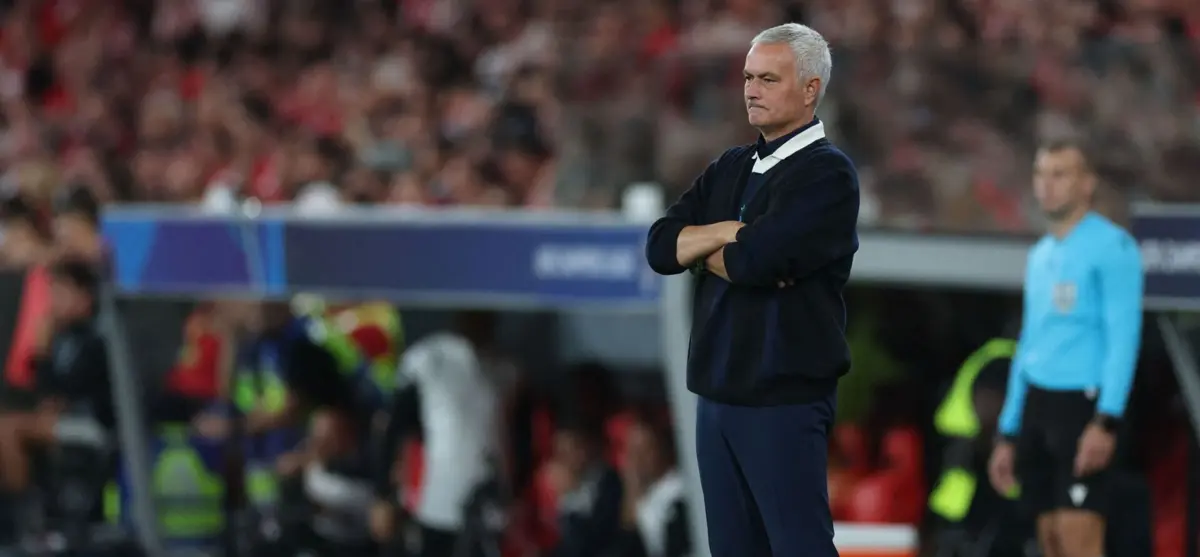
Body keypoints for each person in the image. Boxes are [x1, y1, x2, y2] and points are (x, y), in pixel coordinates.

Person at [643, 23, 857, 557]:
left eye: (768, 78)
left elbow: (756, 261)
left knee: (798, 547)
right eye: (747, 77)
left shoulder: (828, 175)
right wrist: (726, 235)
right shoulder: (732, 165)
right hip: (716, 396)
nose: (751, 89)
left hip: (782, 396)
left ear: (810, 88)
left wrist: (711, 251)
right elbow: (659, 247)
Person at [987, 139, 1144, 557]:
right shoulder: (1040, 255)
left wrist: (1107, 421)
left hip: (1083, 405)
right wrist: (1008, 430)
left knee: (1079, 538)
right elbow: (1029, 344)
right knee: (1051, 538)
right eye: (1041, 174)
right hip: (1039, 405)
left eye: (1060, 174)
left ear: (1087, 184)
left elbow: (1124, 337)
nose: (1047, 185)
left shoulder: (1114, 248)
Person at [368, 312, 505, 557]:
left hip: (490, 503)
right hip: (437, 500)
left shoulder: (504, 367)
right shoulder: (430, 357)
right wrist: (383, 495)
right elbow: (393, 428)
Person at [0, 260, 113, 536]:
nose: (52, 302)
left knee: (7, 429)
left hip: (93, 422)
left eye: (60, 293)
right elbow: (46, 391)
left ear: (83, 296)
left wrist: (43, 355)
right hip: (58, 421)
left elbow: (77, 389)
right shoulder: (60, 337)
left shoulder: (97, 337)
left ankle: (25, 517)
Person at [612, 409, 692, 557]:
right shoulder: (642, 493)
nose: (638, 459)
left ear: (664, 448)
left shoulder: (679, 490)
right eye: (633, 452)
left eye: (645, 450)